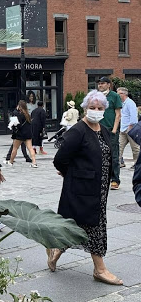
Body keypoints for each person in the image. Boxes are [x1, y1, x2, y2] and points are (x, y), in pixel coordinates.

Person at [47, 90, 122, 285]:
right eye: (92, 107)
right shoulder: (78, 131)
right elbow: (60, 159)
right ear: (84, 109)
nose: (96, 111)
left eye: (99, 108)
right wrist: (70, 174)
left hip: (98, 189)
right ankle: (100, 269)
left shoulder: (103, 129)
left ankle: (55, 249)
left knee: (77, 225)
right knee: (93, 227)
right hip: (82, 189)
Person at [97, 77, 122, 190]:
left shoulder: (114, 96)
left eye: (102, 83)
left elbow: (118, 114)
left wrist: (114, 129)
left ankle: (115, 179)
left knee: (114, 155)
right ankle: (102, 178)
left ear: (108, 85)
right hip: (98, 129)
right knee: (99, 154)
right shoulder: (97, 96)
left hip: (111, 129)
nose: (100, 85)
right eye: (99, 84)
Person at [8, 100, 37, 168]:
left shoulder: (19, 115)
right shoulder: (28, 115)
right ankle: (34, 162)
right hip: (28, 133)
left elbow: (18, 125)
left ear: (19, 106)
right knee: (30, 148)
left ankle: (11, 161)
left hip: (20, 134)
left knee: (15, 148)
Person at [117, 87, 139, 169]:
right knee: (119, 146)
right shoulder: (122, 103)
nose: (117, 95)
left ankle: (137, 164)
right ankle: (118, 163)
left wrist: (130, 128)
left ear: (124, 94)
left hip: (130, 128)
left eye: (119, 93)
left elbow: (134, 117)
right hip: (123, 129)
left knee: (135, 148)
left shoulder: (130, 103)